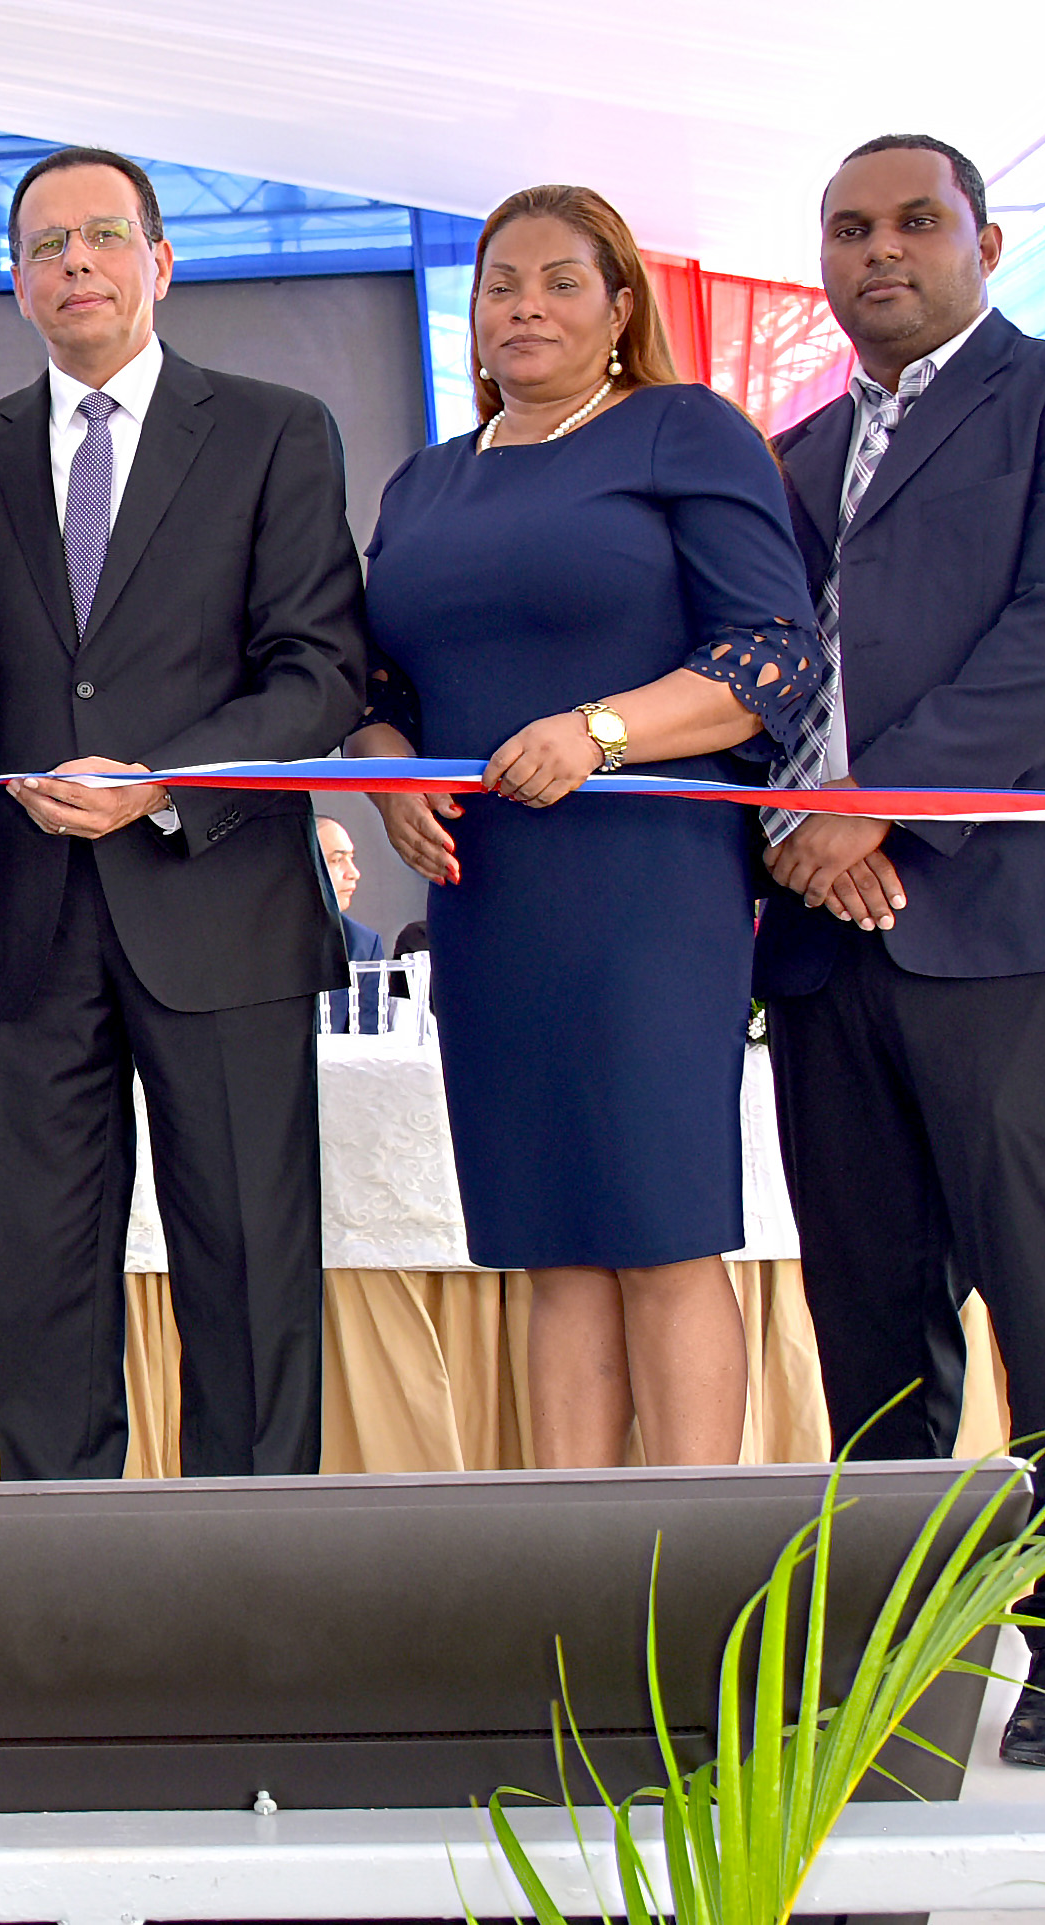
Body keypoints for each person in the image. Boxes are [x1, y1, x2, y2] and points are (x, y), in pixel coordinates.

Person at [758, 135, 1045, 1768]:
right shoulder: (789, 457)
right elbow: (757, 678)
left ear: (985, 241)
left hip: (1023, 931)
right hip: (825, 941)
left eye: (913, 221)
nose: (878, 250)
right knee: (871, 1318)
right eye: (846, 227)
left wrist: (873, 810)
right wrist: (796, 839)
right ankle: (899, 1649)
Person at [346, 185, 819, 1473]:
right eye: (500, 283)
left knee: (661, 1230)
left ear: (619, 308)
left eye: (562, 281)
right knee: (548, 1242)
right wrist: (386, 774)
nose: (526, 306)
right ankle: (584, 1561)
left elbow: (772, 655)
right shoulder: (425, 481)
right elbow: (377, 686)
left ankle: (695, 1556)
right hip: (487, 892)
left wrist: (597, 731)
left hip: (645, 884)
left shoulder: (683, 429)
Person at [0, 148, 367, 1482]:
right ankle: (61, 1584)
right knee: (42, 1290)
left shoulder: (274, 431)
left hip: (223, 908)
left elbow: (319, 670)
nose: (75, 263)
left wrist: (163, 778)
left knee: (249, 1274)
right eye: (44, 246)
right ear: (14, 284)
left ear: (159, 262)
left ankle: (257, 1573)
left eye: (103, 236)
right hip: (26, 931)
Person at [316, 815, 391, 1035]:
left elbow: (369, 1043)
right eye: (337, 860)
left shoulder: (362, 945)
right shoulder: (247, 939)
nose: (354, 874)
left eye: (351, 858)